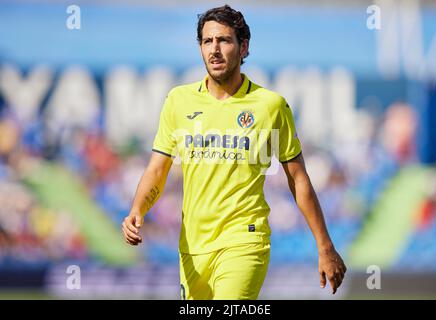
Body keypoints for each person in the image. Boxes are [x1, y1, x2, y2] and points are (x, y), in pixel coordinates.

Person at [122, 4, 346, 300]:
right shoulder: (178, 101)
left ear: (243, 47)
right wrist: (137, 210)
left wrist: (324, 245)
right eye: (207, 41)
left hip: (245, 239)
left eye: (224, 40)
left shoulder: (270, 106)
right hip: (192, 247)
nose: (214, 49)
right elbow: (157, 169)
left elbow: (298, 179)